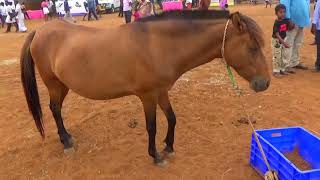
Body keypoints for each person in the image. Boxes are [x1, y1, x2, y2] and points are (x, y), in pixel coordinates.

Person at [280, 0, 310, 71]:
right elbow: (284, 4)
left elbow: (307, 3)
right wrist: (288, 19)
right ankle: (285, 64)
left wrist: (307, 17)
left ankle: (294, 62)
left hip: (302, 20)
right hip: (292, 21)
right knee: (288, 42)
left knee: (297, 43)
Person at [272, 4, 294, 77]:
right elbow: (277, 35)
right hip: (277, 41)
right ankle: (276, 71)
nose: (283, 14)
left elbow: (290, 27)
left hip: (283, 40)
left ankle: (282, 69)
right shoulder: (277, 22)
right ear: (276, 13)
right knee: (277, 56)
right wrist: (284, 43)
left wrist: (290, 21)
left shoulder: (285, 20)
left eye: (284, 12)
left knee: (282, 55)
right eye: (280, 12)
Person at [312, 0, 320, 71]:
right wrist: (314, 24)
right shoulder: (319, 2)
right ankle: (318, 65)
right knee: (319, 47)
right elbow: (316, 13)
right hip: (319, 28)